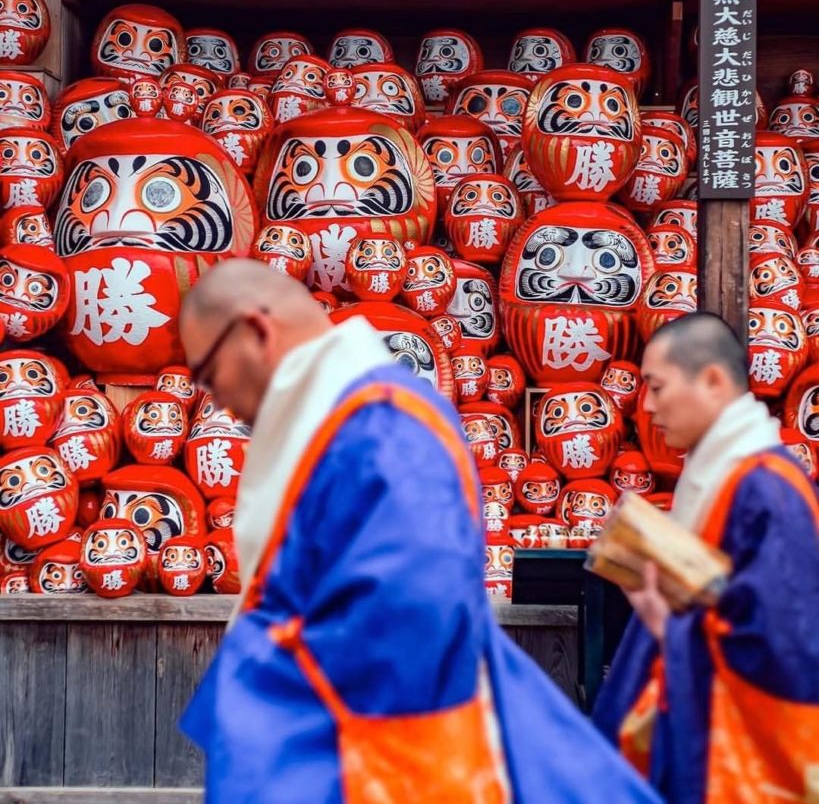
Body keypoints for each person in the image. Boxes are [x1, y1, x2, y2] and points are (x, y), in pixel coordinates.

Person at [178, 259, 658, 803]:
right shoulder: (348, 420)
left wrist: (266, 682)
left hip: (384, 762)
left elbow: (410, 622)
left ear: (256, 332)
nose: (213, 398)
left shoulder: (381, 424)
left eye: (208, 374)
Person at [593, 312, 819, 803]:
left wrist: (667, 626)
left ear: (713, 381)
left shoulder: (767, 490)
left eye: (657, 386)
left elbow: (785, 645)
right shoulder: (731, 476)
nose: (647, 406)